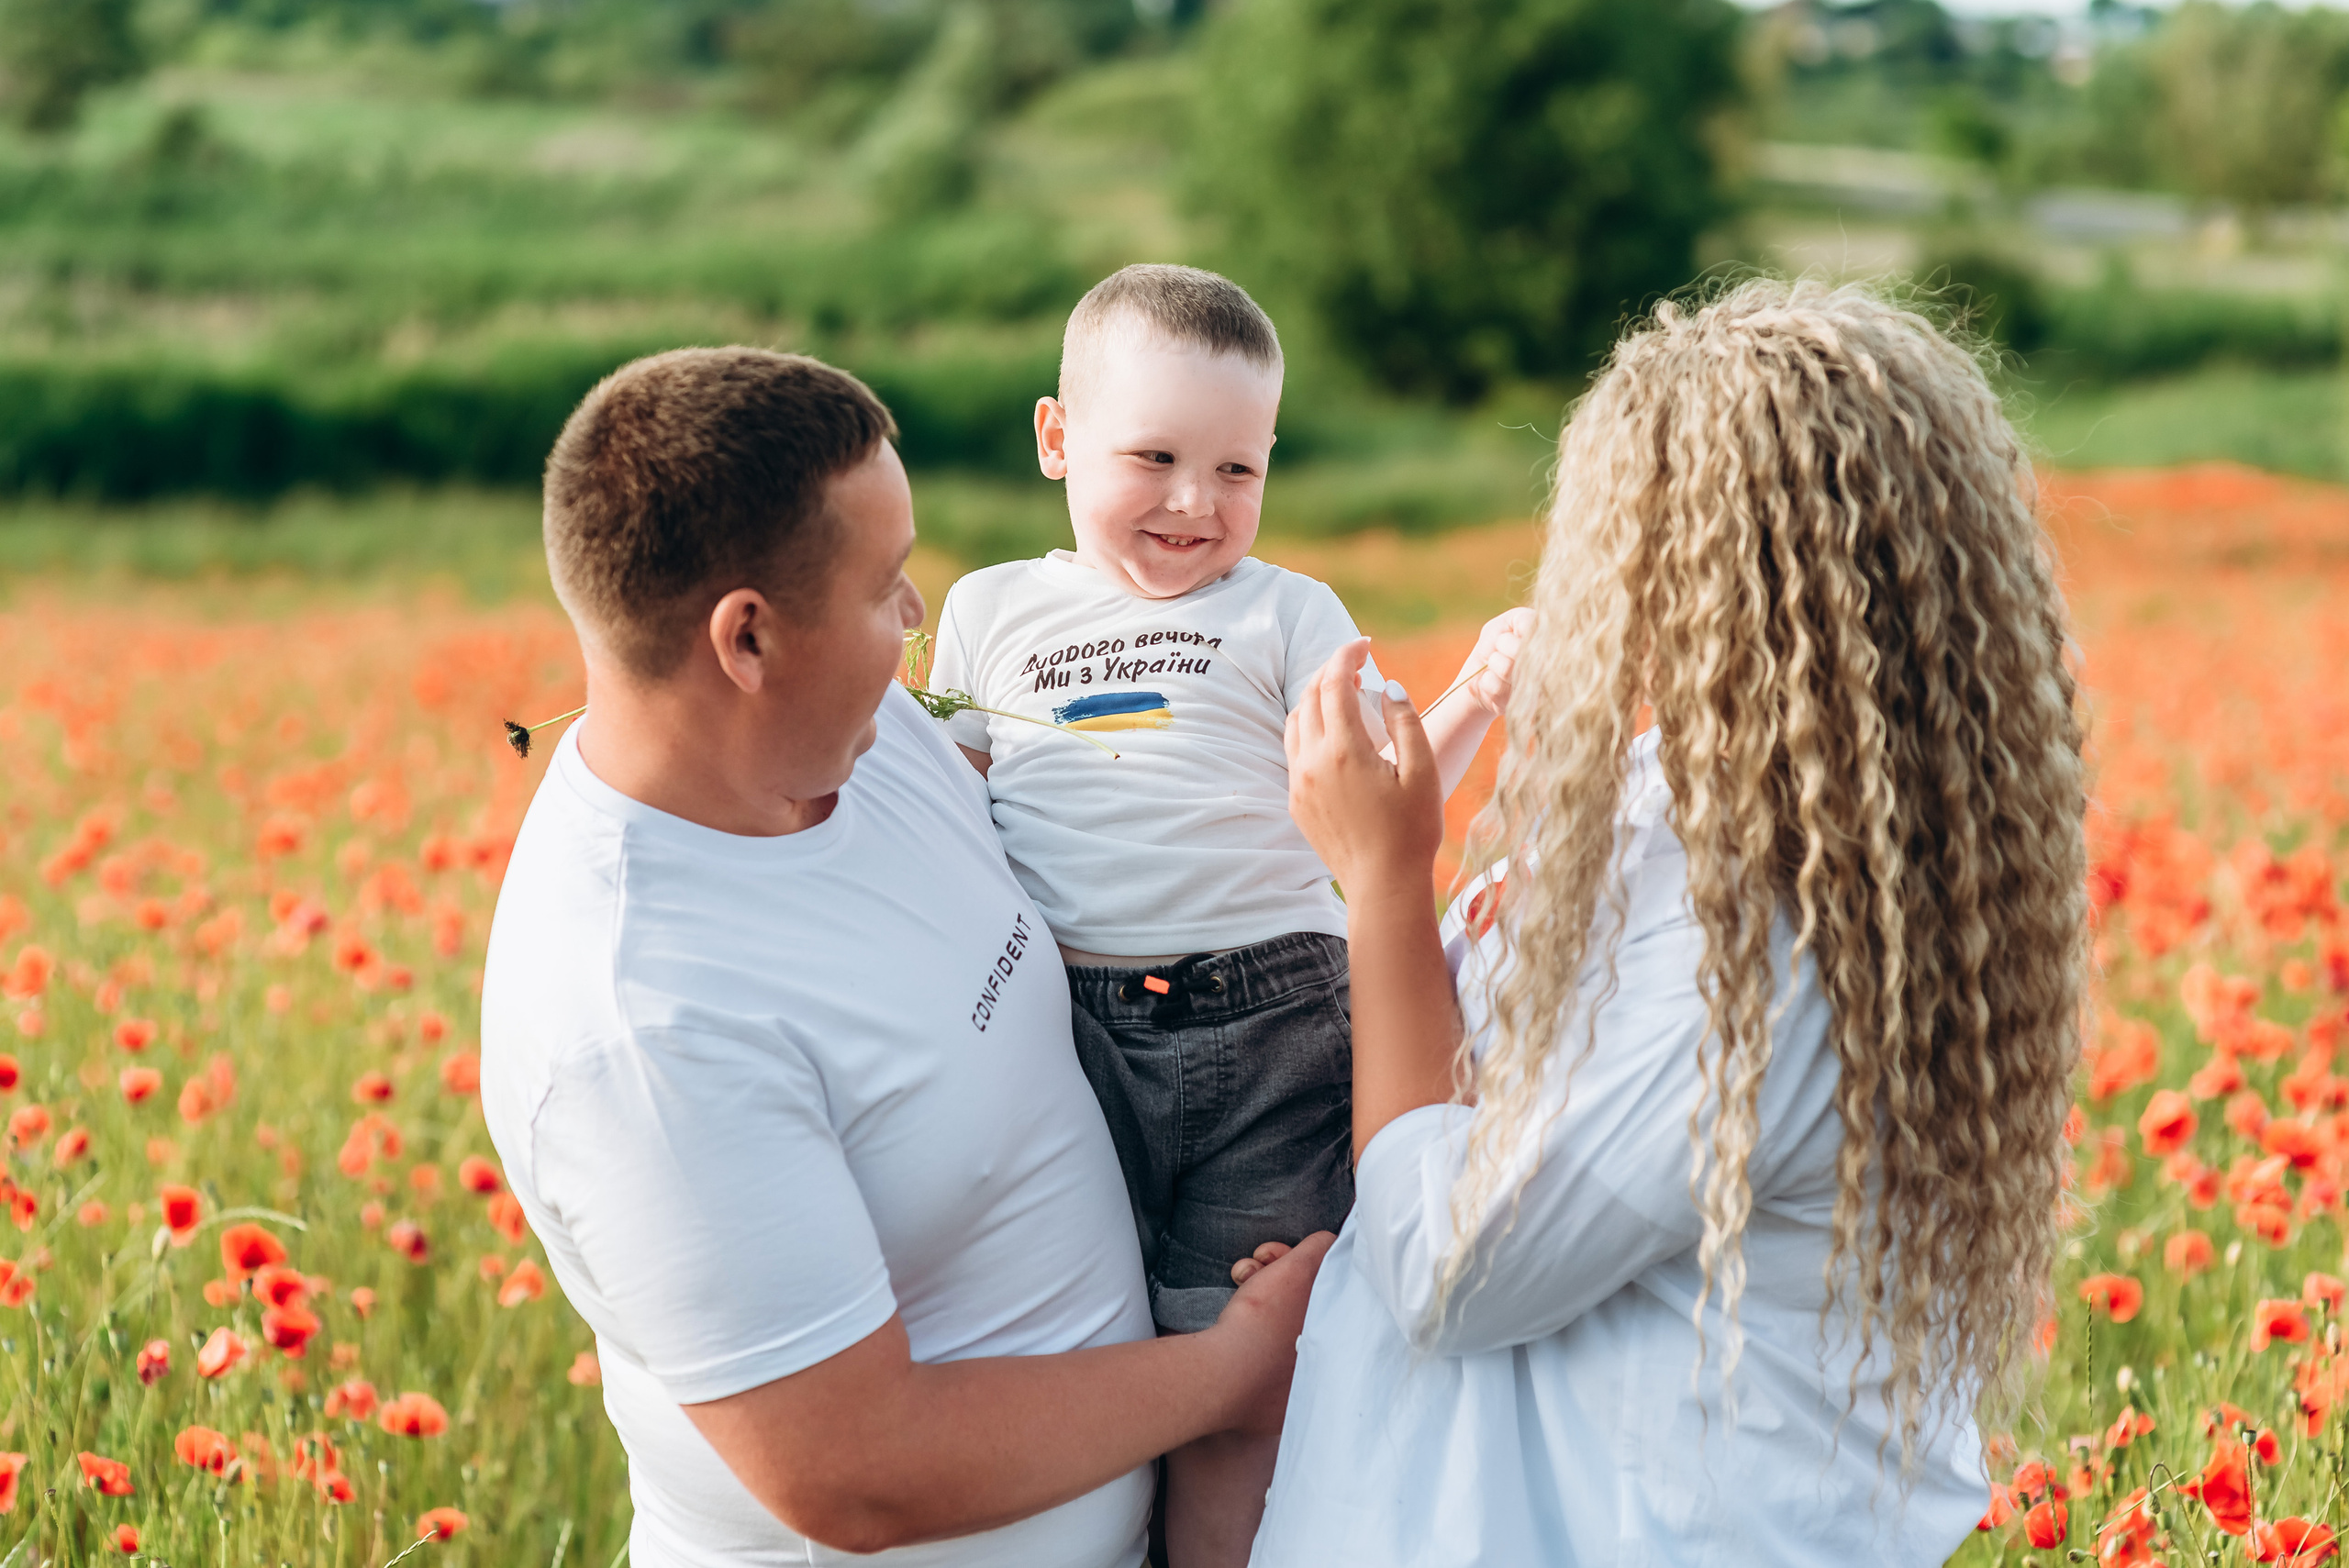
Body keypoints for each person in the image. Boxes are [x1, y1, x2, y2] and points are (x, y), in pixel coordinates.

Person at [1246, 280, 2088, 1565]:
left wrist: (1386, 878)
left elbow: (1450, 1265)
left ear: (1706, 580)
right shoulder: (1760, 815)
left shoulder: (1761, 928)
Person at [477, 346, 1330, 1568]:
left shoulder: (872, 749)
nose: (920, 615)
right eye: (885, 586)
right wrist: (1233, 1367)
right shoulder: (645, 1021)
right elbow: (855, 1471)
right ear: (748, 640)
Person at [924, 263, 1525, 1566]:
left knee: (1236, 1366)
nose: (1197, 503)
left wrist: (1478, 689)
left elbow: (1384, 790)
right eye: (1155, 457)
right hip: (1063, 1034)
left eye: (1239, 471)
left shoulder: (1286, 612)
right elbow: (950, 830)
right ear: (1056, 439)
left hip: (1273, 1027)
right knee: (1070, 1339)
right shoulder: (988, 612)